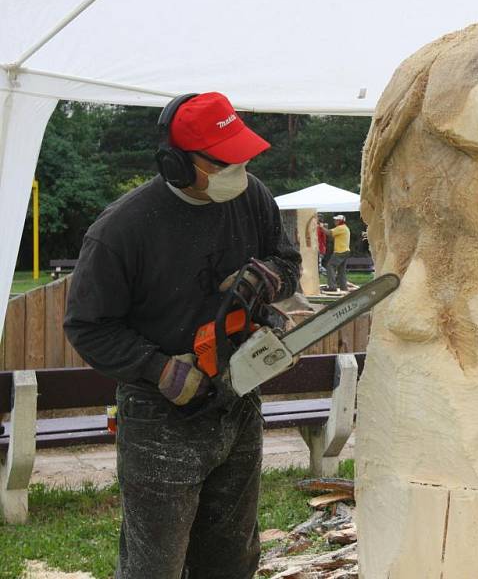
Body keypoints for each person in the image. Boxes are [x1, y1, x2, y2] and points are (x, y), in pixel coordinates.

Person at [64, 92, 302, 579]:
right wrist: (159, 369)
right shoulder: (121, 230)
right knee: (156, 565)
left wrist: (265, 278)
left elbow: (289, 263)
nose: (237, 169)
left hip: (238, 397)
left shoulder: (250, 195)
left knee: (233, 556)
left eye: (242, 157)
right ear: (175, 163)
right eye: (223, 161)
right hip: (160, 412)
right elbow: (88, 325)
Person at [323, 214, 351, 292]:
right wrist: (324, 229)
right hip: (345, 251)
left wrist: (320, 227)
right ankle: (343, 287)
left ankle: (332, 286)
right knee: (341, 270)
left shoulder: (340, 228)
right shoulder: (344, 228)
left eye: (337, 220)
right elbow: (331, 235)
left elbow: (329, 233)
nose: (335, 221)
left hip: (340, 251)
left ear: (340, 221)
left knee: (330, 266)